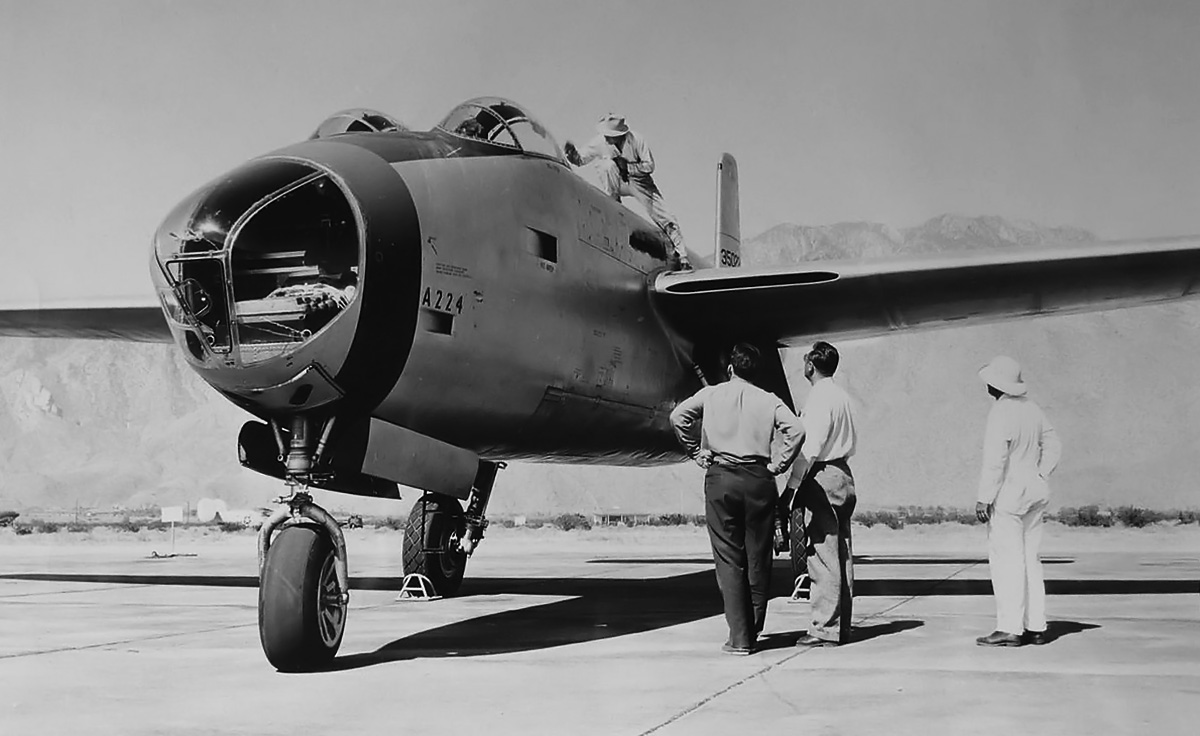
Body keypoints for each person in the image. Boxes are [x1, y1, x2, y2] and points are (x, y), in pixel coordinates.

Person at [670, 343, 804, 654]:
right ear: (755, 372)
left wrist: (695, 452)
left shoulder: (711, 394)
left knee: (729, 560)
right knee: (758, 558)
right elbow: (796, 430)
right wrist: (780, 463)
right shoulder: (768, 400)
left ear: (730, 369)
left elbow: (678, 417)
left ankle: (740, 637)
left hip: (722, 478)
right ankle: (754, 627)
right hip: (759, 478)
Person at [974, 356, 1062, 647]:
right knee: (1031, 560)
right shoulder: (1033, 409)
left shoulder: (1000, 412)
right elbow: (1053, 444)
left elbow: (995, 460)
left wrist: (984, 498)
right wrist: (1041, 472)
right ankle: (1036, 625)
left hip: (1009, 494)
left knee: (1006, 561)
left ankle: (1010, 627)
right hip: (1036, 490)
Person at [784, 341, 858, 647]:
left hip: (822, 476)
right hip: (843, 473)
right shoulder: (842, 397)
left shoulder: (818, 398)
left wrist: (791, 487)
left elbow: (810, 447)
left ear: (811, 366)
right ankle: (841, 626)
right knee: (841, 552)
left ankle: (824, 629)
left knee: (822, 554)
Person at [564, 113, 692, 270]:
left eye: (611, 136)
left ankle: (683, 257)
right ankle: (614, 202)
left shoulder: (637, 140)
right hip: (617, 179)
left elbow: (649, 166)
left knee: (666, 217)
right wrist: (572, 155)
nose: (607, 139)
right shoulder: (600, 142)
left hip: (640, 181)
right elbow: (581, 159)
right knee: (606, 165)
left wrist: (629, 167)